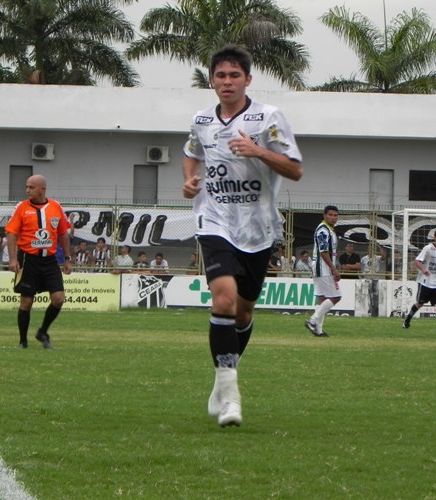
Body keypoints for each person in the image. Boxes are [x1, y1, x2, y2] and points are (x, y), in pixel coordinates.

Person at [182, 44, 303, 427]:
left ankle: (222, 381)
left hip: (258, 227)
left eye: (235, 75)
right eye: (221, 75)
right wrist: (188, 179)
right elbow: (191, 151)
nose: (227, 81)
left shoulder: (268, 118)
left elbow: (295, 170)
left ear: (248, 79)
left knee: (243, 312)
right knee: (224, 299)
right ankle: (231, 396)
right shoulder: (201, 119)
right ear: (212, 81)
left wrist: (257, 151)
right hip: (215, 220)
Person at [6, 175, 73, 349]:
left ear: (42, 189)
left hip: (49, 260)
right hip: (28, 259)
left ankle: (42, 331)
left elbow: (63, 233)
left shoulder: (56, 206)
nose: (27, 190)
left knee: (58, 299)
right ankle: (23, 341)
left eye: (31, 187)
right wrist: (13, 258)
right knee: (27, 301)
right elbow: (11, 233)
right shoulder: (21, 207)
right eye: (26, 187)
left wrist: (67, 258)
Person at [402, 228, 436, 332]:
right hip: (425, 282)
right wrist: (424, 270)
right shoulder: (428, 248)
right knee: (420, 304)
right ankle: (407, 321)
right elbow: (417, 261)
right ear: (435, 237)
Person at [305, 205, 341, 337]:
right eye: (330, 215)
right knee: (336, 296)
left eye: (335, 215)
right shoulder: (323, 230)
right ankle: (312, 320)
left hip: (320, 267)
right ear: (324, 216)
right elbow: (324, 252)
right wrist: (334, 269)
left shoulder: (329, 229)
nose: (333, 218)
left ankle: (318, 330)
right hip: (323, 267)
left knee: (323, 298)